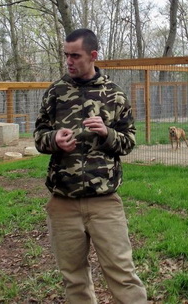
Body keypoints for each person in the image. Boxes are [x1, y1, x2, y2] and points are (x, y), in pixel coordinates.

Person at [34, 28, 147, 304]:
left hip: (104, 202)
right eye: (66, 55)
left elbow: (129, 142)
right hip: (64, 201)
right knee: (74, 278)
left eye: (75, 56)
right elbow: (39, 136)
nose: (69, 61)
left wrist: (107, 133)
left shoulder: (114, 94)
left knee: (122, 273)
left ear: (93, 55)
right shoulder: (55, 92)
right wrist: (54, 140)